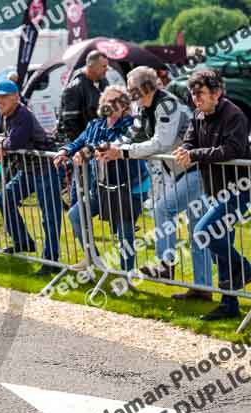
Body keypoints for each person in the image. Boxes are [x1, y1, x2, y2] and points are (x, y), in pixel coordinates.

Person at [99, 66, 210, 298]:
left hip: (199, 169)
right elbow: (134, 134)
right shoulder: (143, 107)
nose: (129, 95)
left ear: (145, 88)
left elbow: (161, 142)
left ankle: (165, 264)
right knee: (197, 230)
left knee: (163, 209)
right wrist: (115, 147)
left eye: (131, 89)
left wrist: (124, 153)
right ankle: (203, 289)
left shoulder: (166, 104)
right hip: (183, 171)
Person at [176, 70, 251, 320]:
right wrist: (185, 150)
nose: (196, 99)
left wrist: (195, 154)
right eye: (193, 94)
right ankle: (229, 305)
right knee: (221, 246)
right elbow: (190, 140)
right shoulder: (198, 115)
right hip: (215, 189)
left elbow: (232, 150)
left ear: (217, 93)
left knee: (204, 233)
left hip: (238, 189)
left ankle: (246, 269)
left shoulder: (234, 115)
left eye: (200, 94)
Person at [54, 85, 143, 272]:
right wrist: (65, 151)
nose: (111, 105)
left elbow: (117, 143)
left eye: (116, 101)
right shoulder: (95, 124)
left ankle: (126, 273)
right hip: (100, 188)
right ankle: (92, 258)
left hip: (125, 187)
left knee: (124, 233)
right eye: (107, 101)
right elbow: (79, 141)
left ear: (125, 105)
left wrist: (87, 152)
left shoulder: (131, 125)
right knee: (75, 215)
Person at [0, 80, 62, 275]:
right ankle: (23, 242)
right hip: (27, 170)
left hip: (45, 169)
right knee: (3, 198)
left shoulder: (23, 115)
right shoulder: (2, 115)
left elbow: (15, 142)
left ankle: (51, 261)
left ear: (15, 97)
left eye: (3, 96)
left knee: (50, 217)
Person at [57, 51, 109, 143]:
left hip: (100, 140)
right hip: (83, 145)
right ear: (91, 66)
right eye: (103, 66)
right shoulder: (74, 87)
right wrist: (83, 145)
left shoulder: (104, 83)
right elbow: (70, 124)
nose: (107, 69)